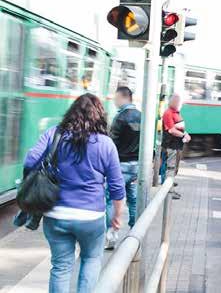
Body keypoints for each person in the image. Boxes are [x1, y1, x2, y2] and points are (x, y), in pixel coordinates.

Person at [24, 94, 125, 293]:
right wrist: (117, 215)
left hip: (56, 214)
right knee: (91, 260)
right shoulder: (106, 144)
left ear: (71, 113)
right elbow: (117, 186)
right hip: (91, 217)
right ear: (99, 116)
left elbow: (30, 161)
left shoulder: (54, 134)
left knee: (61, 267)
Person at [105, 86, 141, 249]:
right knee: (133, 199)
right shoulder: (141, 116)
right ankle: (135, 232)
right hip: (136, 166)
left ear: (123, 97)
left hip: (120, 165)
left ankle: (111, 235)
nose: (114, 101)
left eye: (116, 98)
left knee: (111, 199)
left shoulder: (120, 118)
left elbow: (111, 143)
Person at [161, 94, 191, 200]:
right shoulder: (168, 113)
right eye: (176, 101)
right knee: (171, 168)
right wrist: (184, 135)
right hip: (171, 146)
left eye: (179, 101)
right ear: (171, 101)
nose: (178, 103)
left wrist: (185, 133)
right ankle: (169, 191)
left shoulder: (175, 112)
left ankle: (170, 185)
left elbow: (179, 127)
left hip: (176, 145)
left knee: (174, 168)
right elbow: (171, 130)